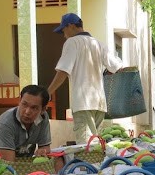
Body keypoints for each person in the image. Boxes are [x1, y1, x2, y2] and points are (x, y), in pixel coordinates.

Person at [47, 13, 123, 144]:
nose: (64, 34)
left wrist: (47, 93)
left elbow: (63, 71)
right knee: (95, 145)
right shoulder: (99, 44)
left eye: (64, 30)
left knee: (86, 147)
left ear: (71, 26)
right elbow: (117, 67)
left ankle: (88, 165)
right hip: (99, 104)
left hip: (83, 102)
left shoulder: (72, 42)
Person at [0, 84, 52, 161]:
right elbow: (8, 161)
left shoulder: (43, 117)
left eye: (34, 108)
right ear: (19, 101)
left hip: (27, 164)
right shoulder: (5, 122)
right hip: (0, 165)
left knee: (60, 158)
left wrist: (42, 152)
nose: (27, 112)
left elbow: (45, 148)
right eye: (24, 104)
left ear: (43, 109)